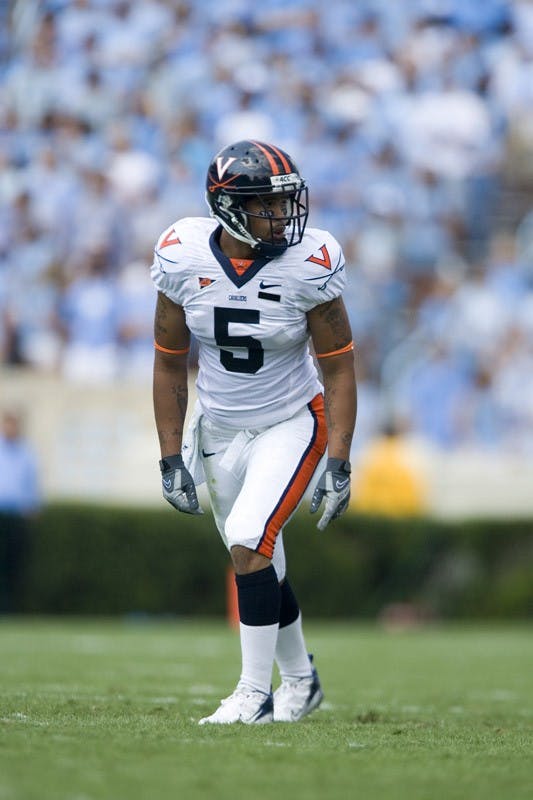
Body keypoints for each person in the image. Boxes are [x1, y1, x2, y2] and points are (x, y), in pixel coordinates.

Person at [151, 140, 357, 724]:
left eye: (283, 201)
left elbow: (339, 363)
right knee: (263, 561)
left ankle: (253, 694)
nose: (281, 215)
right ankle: (300, 681)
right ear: (228, 207)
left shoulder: (308, 262)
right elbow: (169, 359)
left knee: (247, 538)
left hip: (291, 421)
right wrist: (170, 456)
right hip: (217, 427)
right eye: (265, 203)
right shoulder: (182, 256)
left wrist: (339, 459)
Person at [0, 408, 42, 613]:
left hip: (16, 517)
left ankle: (11, 609)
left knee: (14, 565)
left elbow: (31, 485)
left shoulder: (26, 453)